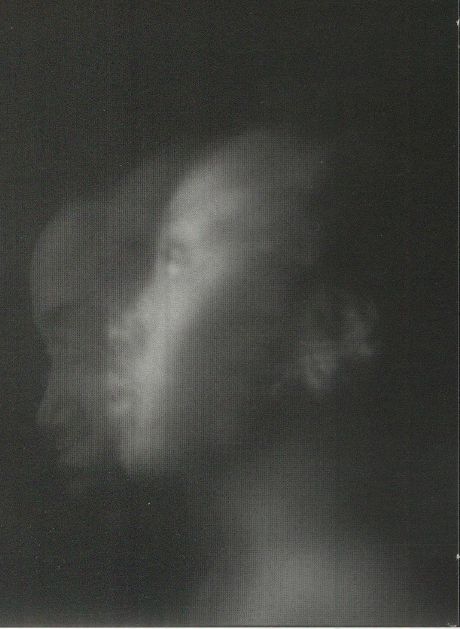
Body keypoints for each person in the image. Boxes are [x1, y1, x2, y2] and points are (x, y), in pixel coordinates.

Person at [30, 128, 419, 624]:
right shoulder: (242, 582)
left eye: (175, 262)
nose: (124, 325)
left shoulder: (334, 606)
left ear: (324, 327)